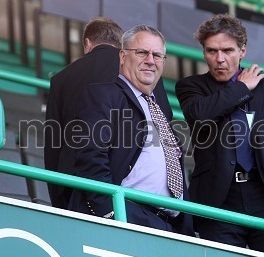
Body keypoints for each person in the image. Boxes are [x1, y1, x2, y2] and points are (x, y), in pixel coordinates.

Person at [175, 14, 264, 252]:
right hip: (218, 197)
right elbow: (199, 115)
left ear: (243, 51)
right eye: (211, 51)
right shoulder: (191, 86)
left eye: (227, 50)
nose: (219, 59)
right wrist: (240, 87)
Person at [68, 25, 194, 235]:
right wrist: (110, 213)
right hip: (126, 217)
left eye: (157, 55)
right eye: (142, 53)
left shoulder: (161, 112)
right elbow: (91, 158)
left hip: (169, 228)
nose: (150, 61)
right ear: (122, 56)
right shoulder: (103, 95)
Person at [44, 17, 172, 210]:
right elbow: (163, 120)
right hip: (131, 195)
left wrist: (57, 200)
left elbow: (53, 143)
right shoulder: (146, 69)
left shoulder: (61, 78)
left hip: (75, 186)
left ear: (88, 43)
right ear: (121, 45)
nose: (150, 59)